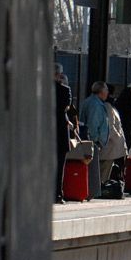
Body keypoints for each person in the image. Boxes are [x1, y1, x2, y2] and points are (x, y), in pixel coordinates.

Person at [54, 64, 74, 204]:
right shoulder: (65, 90)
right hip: (60, 132)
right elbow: (66, 107)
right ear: (59, 75)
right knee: (60, 165)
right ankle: (57, 194)